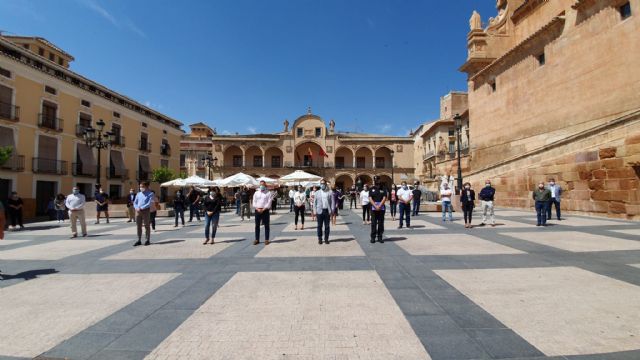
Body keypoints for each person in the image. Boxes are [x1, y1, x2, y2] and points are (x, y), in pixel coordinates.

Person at [313, 179, 334, 245]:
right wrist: (314, 211)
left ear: (325, 184)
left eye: (323, 183)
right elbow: (314, 203)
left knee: (327, 226)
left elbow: (332, 202)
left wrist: (332, 210)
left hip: (327, 211)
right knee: (319, 226)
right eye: (321, 183)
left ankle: (326, 239)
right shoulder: (317, 192)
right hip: (319, 211)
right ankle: (320, 239)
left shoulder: (330, 192)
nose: (322, 185)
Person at [133, 181, 154, 246]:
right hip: (138, 211)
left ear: (146, 187)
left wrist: (142, 208)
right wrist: (136, 208)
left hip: (146, 211)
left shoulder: (150, 194)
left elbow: (149, 203)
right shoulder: (138, 194)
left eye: (142, 186)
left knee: (146, 225)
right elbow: (135, 203)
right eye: (140, 187)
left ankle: (147, 240)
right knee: (138, 226)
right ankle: (139, 240)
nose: (141, 188)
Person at [253, 180, 272, 245]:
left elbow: (269, 202)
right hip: (257, 210)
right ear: (259, 185)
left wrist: (263, 209)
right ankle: (257, 239)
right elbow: (254, 202)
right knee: (257, 225)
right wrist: (257, 208)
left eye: (263, 185)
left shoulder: (268, 193)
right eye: (261, 185)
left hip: (265, 210)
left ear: (265, 185)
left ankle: (266, 239)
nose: (262, 186)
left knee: (266, 225)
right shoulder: (256, 193)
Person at [369, 176, 388, 244]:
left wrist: (379, 206)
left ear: (379, 180)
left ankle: (380, 237)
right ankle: (373, 238)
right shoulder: (371, 189)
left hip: (381, 208)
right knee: (373, 223)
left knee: (380, 223)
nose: (376, 181)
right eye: (375, 180)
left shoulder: (383, 188)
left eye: (377, 179)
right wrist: (375, 206)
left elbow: (384, 197)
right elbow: (370, 198)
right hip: (373, 209)